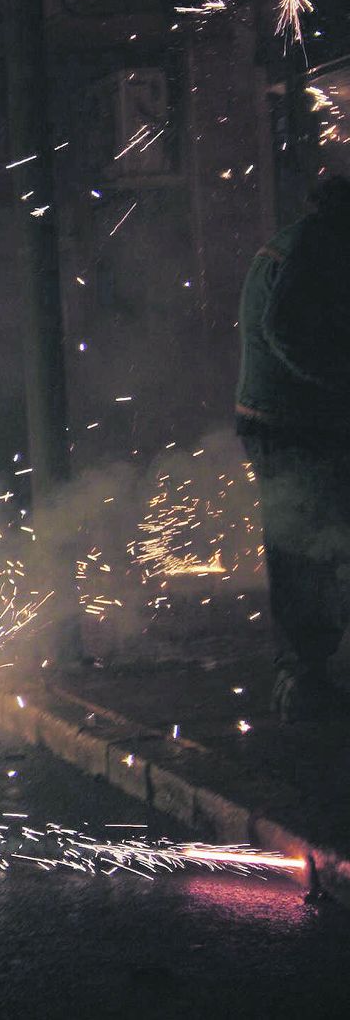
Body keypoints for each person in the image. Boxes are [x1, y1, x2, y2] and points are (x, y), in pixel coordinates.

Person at [236, 174, 350, 722]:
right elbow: (288, 331)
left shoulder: (307, 239)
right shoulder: (318, 245)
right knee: (305, 543)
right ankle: (304, 678)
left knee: (312, 539)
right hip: (290, 424)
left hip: (290, 421)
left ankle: (308, 670)